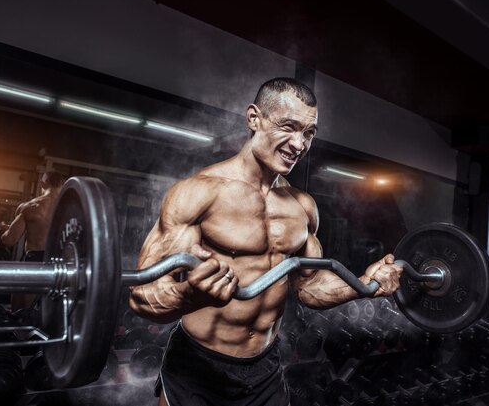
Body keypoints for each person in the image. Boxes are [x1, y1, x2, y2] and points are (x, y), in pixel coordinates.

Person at [129, 78, 404, 406]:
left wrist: (363, 284)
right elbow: (142, 296)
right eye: (289, 127)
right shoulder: (198, 193)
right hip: (198, 367)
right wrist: (189, 295)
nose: (299, 144)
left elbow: (309, 288)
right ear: (253, 118)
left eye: (309, 133)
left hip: (265, 369)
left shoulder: (302, 207)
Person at [1, 170, 65, 309]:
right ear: (62, 184)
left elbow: (9, 240)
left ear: (43, 183)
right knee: (52, 314)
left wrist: (3, 231)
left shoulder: (31, 207)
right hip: (61, 265)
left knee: (21, 311)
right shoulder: (69, 209)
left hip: (35, 260)